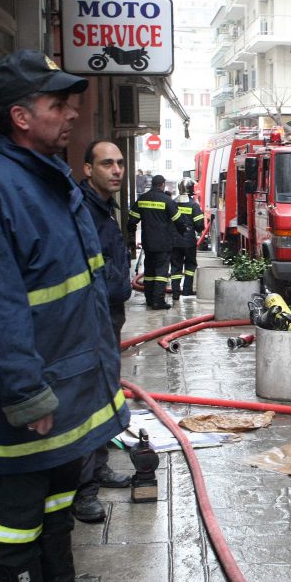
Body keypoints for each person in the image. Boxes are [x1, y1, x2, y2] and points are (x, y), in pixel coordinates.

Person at [0, 49, 130, 582]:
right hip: (31, 406)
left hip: (66, 390)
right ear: (21, 117)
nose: (72, 113)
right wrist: (25, 393)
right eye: (58, 104)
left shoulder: (51, 180)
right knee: (15, 525)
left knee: (56, 510)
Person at [74, 140, 134, 523]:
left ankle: (98, 469)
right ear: (87, 169)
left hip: (110, 315)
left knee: (106, 397)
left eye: (120, 163)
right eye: (106, 163)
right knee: (88, 402)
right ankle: (83, 492)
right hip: (91, 320)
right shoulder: (82, 211)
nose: (116, 170)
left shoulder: (104, 209)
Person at [128, 174, 189, 309]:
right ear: (162, 185)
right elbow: (178, 221)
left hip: (148, 243)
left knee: (149, 272)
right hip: (163, 243)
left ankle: (149, 299)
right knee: (161, 273)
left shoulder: (142, 199)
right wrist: (184, 232)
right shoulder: (167, 201)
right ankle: (158, 301)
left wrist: (131, 238)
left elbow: (132, 220)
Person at [170, 178, 206, 302]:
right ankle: (186, 290)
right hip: (189, 242)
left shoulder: (172, 203)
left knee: (175, 267)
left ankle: (175, 293)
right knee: (190, 265)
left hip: (174, 241)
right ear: (191, 190)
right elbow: (200, 224)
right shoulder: (194, 205)